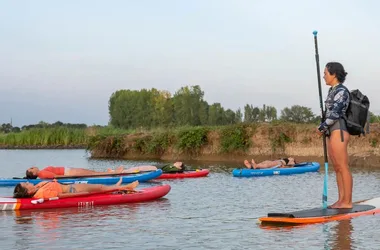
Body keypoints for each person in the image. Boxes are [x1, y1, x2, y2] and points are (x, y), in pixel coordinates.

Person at [316, 62, 352, 209]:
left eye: (325, 73)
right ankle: (341, 200)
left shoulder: (342, 91)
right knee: (337, 167)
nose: (323, 76)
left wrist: (322, 127)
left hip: (340, 130)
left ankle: (347, 202)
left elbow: (336, 113)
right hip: (332, 131)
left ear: (334, 74)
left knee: (342, 167)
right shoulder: (332, 90)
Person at [13, 177, 139, 199]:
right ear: (28, 191)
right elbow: (60, 196)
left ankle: (118, 187)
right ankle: (126, 187)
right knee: (100, 187)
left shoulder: (37, 187)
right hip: (74, 190)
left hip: (72, 187)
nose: (28, 182)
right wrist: (82, 194)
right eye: (26, 184)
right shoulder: (41, 193)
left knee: (100, 188)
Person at [25, 166, 125, 179]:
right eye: (31, 169)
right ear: (33, 174)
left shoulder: (41, 173)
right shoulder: (42, 174)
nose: (33, 167)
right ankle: (114, 173)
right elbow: (56, 177)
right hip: (69, 172)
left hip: (68, 171)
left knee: (90, 172)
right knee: (91, 173)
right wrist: (73, 176)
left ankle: (109, 172)